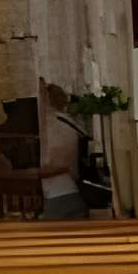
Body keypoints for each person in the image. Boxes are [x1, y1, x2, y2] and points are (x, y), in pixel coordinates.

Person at [36, 80, 88, 220]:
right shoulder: (65, 122)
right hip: (67, 191)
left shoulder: (56, 125)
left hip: (59, 193)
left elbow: (58, 165)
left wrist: (33, 173)